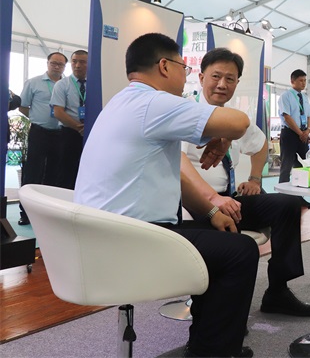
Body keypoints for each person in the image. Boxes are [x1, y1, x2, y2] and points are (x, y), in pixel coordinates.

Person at [75, 33, 258, 357]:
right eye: (182, 68)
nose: (185, 76)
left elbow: (176, 175)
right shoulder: (154, 103)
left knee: (220, 236)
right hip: (131, 240)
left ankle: (207, 344)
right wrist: (225, 136)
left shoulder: (121, 102)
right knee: (240, 251)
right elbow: (239, 122)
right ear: (164, 66)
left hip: (100, 237)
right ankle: (211, 351)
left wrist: (211, 212)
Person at [180, 47, 310, 317]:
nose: (222, 84)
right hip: (193, 205)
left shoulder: (233, 118)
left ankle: (278, 291)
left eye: (230, 79)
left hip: (228, 198)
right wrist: (212, 201)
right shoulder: (186, 113)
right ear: (201, 77)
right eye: (216, 76)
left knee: (288, 205)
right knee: (234, 244)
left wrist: (255, 178)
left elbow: (261, 143)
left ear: (237, 83)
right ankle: (218, 309)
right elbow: (179, 165)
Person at [17, 52, 67, 224]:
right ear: (47, 63)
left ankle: (47, 213)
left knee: (54, 174)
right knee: (33, 172)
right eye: (54, 63)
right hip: (39, 132)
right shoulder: (33, 83)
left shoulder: (67, 85)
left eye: (60, 64)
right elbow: (23, 106)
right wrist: (37, 118)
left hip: (60, 134)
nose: (57, 67)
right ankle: (25, 213)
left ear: (64, 67)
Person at [50, 50, 88, 190]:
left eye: (82, 62)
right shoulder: (62, 84)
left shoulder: (96, 84)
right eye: (74, 61)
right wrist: (79, 128)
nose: (77, 65)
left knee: (86, 171)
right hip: (69, 133)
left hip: (91, 134)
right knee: (66, 172)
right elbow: (58, 112)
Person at [278, 69, 310, 183]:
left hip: (303, 134)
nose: (303, 83)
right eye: (300, 80)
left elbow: (309, 116)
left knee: (303, 164)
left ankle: (301, 189)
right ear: (292, 81)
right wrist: (300, 133)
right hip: (290, 133)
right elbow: (287, 117)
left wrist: (308, 130)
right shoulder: (285, 96)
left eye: (305, 80)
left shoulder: (305, 97)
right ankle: (282, 191)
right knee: (287, 165)